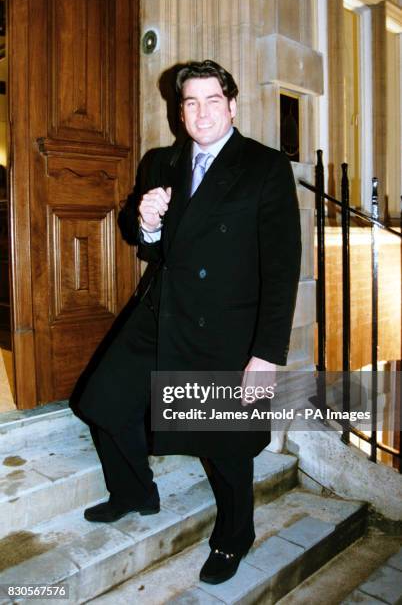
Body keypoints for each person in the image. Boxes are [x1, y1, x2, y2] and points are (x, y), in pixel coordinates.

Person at [72, 60, 301, 584]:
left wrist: (264, 356)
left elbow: (282, 268)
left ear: (232, 105)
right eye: (190, 102)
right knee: (103, 401)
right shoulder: (162, 161)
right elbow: (147, 243)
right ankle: (135, 492)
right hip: (160, 313)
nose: (200, 112)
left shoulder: (264, 166)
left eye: (212, 100)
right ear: (180, 111)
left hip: (225, 329)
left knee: (225, 446)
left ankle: (234, 536)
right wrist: (147, 222)